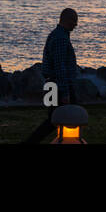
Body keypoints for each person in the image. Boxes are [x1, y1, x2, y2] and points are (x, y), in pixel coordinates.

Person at [24, 8, 79, 143]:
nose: (76, 24)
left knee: (53, 119)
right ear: (66, 20)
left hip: (51, 84)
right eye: (74, 21)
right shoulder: (60, 38)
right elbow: (60, 66)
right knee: (66, 117)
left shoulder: (56, 35)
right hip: (57, 85)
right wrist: (65, 93)